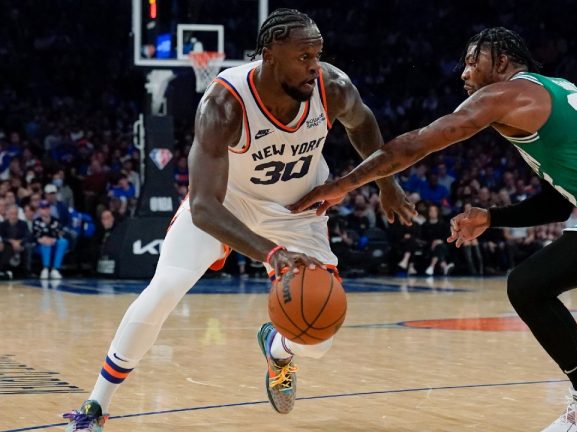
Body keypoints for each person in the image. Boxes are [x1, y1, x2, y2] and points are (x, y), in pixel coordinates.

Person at [291, 27, 577, 431]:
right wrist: (492, 217)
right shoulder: (549, 90)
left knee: (527, 286)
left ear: (500, 61)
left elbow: (417, 143)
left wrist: (341, 185)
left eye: (472, 61)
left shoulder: (506, 96)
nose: (464, 73)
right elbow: (558, 201)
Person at [62, 9, 414, 431]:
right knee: (165, 288)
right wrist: (272, 253)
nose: (313, 66)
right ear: (270, 54)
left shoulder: (331, 87)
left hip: (297, 210)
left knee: (318, 340)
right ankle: (95, 408)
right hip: (227, 203)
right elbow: (204, 207)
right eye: (303, 56)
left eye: (317, 55)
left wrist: (387, 185)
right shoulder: (224, 103)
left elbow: (364, 125)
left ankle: (278, 347)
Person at [33, 200, 69, 279]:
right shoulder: (36, 221)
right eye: (43, 208)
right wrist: (43, 239)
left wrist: (53, 239)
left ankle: (55, 269)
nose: (45, 210)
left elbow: (59, 233)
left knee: (63, 242)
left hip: (54, 243)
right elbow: (35, 235)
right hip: (40, 246)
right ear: (40, 210)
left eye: (47, 208)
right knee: (46, 243)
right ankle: (45, 268)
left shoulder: (55, 221)